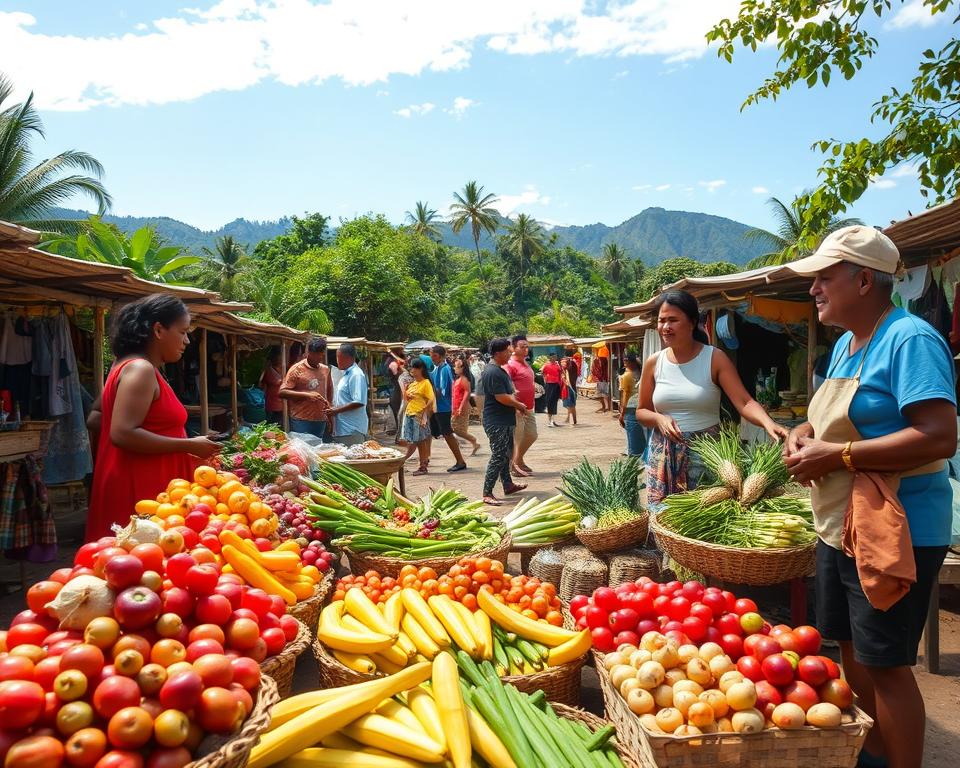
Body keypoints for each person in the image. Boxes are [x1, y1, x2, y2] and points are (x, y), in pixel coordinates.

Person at [780, 227, 957, 768]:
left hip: (896, 526)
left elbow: (940, 434)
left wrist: (838, 457)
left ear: (863, 279)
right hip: (840, 521)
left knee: (887, 663)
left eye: (824, 277)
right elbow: (825, 418)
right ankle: (875, 753)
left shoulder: (910, 340)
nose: (814, 288)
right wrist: (801, 435)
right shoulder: (844, 345)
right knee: (851, 649)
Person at [87, 295, 220, 540]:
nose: (187, 341)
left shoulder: (127, 365)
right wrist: (188, 445)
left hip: (134, 478)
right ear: (158, 330)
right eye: (182, 332)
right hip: (138, 486)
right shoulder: (140, 370)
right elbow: (122, 432)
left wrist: (174, 439)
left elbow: (98, 418)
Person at [636, 289, 788, 505]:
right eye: (661, 321)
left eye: (673, 320)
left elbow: (744, 402)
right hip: (664, 455)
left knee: (705, 520)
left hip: (707, 453)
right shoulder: (654, 362)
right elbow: (642, 411)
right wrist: (659, 419)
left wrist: (768, 422)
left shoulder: (714, 358)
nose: (665, 327)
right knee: (664, 520)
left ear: (692, 322)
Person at [480, 338, 528, 506]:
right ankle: (487, 492)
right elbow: (501, 397)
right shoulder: (492, 372)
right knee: (498, 455)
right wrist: (518, 405)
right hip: (496, 421)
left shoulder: (499, 370)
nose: (511, 353)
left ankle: (507, 484)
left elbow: (507, 394)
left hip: (504, 420)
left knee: (506, 453)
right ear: (498, 353)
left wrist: (515, 406)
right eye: (508, 351)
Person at [279, 337, 333, 439]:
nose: (319, 357)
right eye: (316, 354)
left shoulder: (325, 370)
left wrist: (330, 416)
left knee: (317, 451)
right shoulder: (297, 369)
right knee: (303, 451)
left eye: (321, 353)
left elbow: (329, 391)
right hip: (301, 420)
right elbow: (282, 392)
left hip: (320, 419)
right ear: (309, 352)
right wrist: (306, 395)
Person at [429, 345, 468, 472]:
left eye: (434, 355)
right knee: (446, 434)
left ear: (440, 356)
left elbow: (441, 391)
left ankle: (460, 460)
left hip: (443, 407)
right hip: (439, 406)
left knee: (447, 434)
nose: (432, 358)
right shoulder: (437, 369)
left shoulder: (444, 369)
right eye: (431, 355)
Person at [505, 335, 537, 476]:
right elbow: (507, 387)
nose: (525, 349)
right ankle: (515, 466)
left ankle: (517, 460)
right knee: (517, 438)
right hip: (516, 409)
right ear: (513, 348)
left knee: (531, 435)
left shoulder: (526, 363)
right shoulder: (509, 365)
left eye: (526, 346)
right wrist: (514, 405)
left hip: (528, 407)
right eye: (522, 346)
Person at [329, 342, 369, 445]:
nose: (337, 361)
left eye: (338, 357)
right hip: (343, 429)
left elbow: (359, 401)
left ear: (347, 358)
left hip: (352, 430)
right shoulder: (346, 374)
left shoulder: (356, 375)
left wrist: (336, 410)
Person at [400, 358, 435, 475]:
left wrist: (424, 411)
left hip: (418, 415)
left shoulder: (425, 383)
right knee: (415, 441)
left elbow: (431, 399)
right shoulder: (413, 384)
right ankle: (419, 463)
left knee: (419, 441)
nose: (411, 370)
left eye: (414, 368)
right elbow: (407, 399)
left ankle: (421, 465)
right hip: (410, 414)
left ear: (420, 369)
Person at [451, 357, 480, 455]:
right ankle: (467, 443)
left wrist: (460, 407)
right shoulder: (459, 379)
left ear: (462, 368)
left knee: (457, 429)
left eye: (456, 367)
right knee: (456, 427)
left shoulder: (464, 379)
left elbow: (467, 393)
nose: (454, 368)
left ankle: (473, 441)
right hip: (457, 406)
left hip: (462, 407)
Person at [618, 352, 645, 456]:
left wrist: (622, 412)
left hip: (630, 406)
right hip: (639, 404)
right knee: (638, 434)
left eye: (626, 360)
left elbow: (626, 395)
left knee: (632, 433)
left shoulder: (627, 375)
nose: (625, 362)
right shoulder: (639, 372)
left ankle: (633, 453)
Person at [259, 346, 284, 426]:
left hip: (281, 403)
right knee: (272, 424)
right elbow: (263, 383)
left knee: (278, 424)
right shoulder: (269, 370)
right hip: (272, 403)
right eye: (279, 357)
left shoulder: (282, 369)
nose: (280, 359)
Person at [395, 356, 415, 445]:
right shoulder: (403, 377)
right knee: (403, 421)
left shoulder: (417, 376)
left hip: (414, 403)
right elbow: (404, 393)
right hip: (407, 403)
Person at [541, 352, 563, 427]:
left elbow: (560, 375)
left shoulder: (558, 366)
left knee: (554, 402)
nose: (554, 358)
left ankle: (553, 421)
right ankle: (549, 421)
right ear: (550, 357)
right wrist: (546, 381)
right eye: (553, 357)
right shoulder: (546, 366)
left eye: (555, 357)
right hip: (549, 385)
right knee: (549, 402)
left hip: (556, 385)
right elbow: (543, 373)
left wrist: (560, 384)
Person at [386, 349, 405, 435]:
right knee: (398, 411)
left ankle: (399, 431)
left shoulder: (394, 362)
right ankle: (399, 431)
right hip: (396, 389)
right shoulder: (393, 364)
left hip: (397, 389)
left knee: (398, 411)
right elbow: (397, 375)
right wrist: (402, 370)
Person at [591, 347, 611, 413]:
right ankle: (606, 407)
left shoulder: (599, 360)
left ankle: (605, 407)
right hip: (603, 379)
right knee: (603, 394)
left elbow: (595, 370)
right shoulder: (601, 360)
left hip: (602, 379)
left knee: (603, 394)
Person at [561, 351, 579, 425]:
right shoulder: (574, 364)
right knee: (571, 404)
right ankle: (569, 419)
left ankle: (574, 420)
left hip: (569, 387)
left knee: (570, 405)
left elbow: (565, 377)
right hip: (573, 386)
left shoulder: (568, 364)